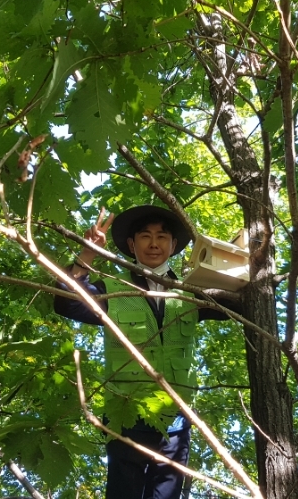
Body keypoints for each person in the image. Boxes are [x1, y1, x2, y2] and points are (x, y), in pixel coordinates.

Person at [54, 205, 236, 499]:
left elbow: (238, 305)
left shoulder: (191, 291)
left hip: (176, 421)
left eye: (162, 237)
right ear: (131, 244)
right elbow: (67, 302)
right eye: (145, 236)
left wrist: (242, 261)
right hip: (126, 417)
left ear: (173, 245)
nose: (154, 244)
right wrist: (87, 254)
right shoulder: (112, 288)